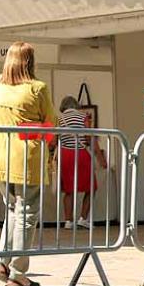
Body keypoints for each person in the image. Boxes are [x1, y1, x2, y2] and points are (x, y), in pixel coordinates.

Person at [0, 42, 56, 286]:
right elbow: (51, 123)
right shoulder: (37, 88)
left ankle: (2, 261)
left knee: (12, 210)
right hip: (26, 159)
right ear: (30, 61)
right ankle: (17, 271)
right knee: (26, 214)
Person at [57, 96, 97, 230]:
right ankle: (83, 219)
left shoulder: (59, 119)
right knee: (91, 187)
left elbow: (56, 139)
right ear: (76, 105)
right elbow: (88, 136)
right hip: (81, 154)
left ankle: (68, 221)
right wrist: (99, 155)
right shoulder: (82, 116)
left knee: (69, 190)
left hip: (65, 154)